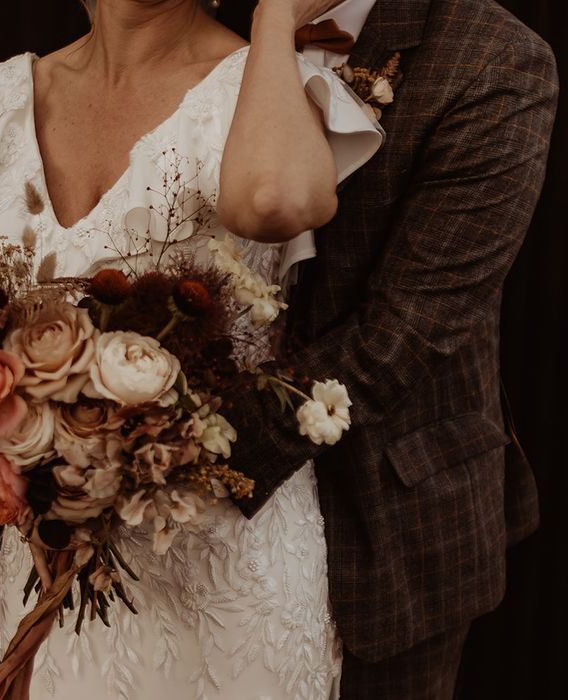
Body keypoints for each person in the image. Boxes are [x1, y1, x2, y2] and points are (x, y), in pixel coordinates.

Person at [0, 0, 383, 698]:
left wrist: (275, 19)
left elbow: (279, 201)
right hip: (53, 570)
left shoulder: (263, 81)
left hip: (226, 580)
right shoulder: (1, 101)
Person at [226, 0, 560, 698]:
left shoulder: (493, 58)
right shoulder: (204, 24)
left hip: (394, 517)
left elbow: (403, 333)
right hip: (191, 546)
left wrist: (195, 450)